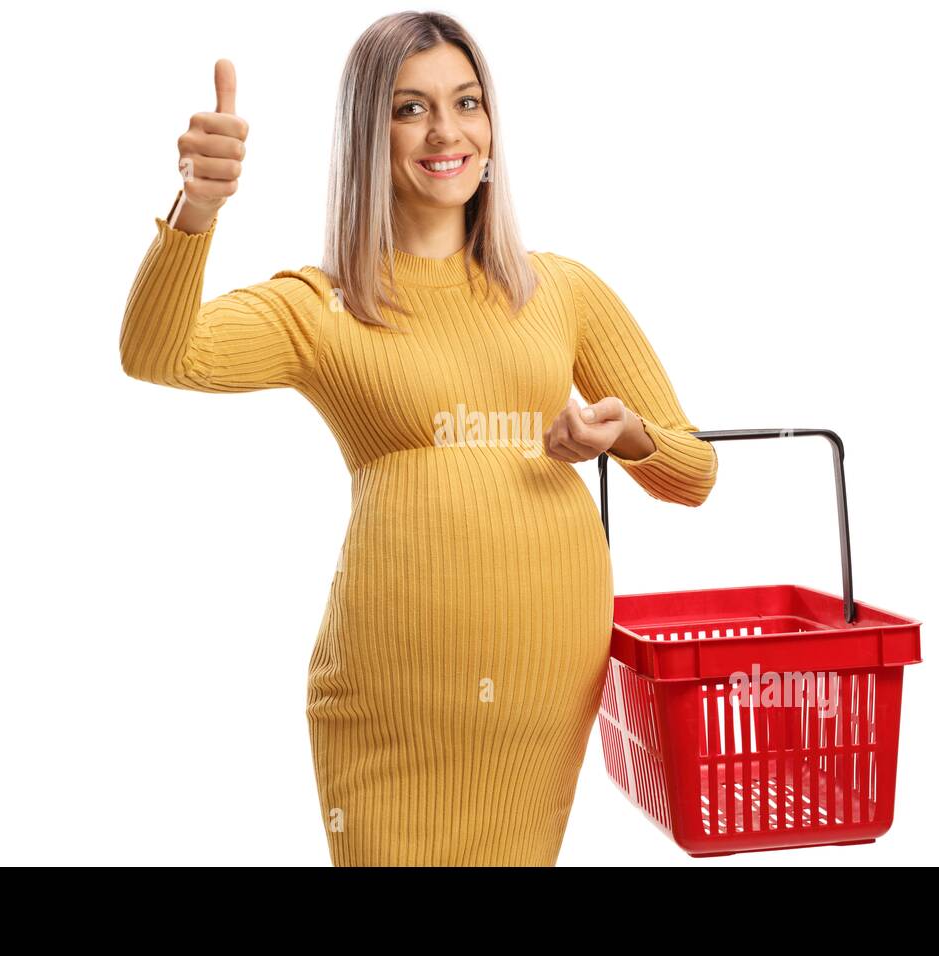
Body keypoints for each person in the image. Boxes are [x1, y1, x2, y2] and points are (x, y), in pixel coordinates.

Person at [119, 11, 718, 866]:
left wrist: (628, 436)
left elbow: (695, 473)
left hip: (543, 693)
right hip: (389, 699)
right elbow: (156, 354)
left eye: (467, 103)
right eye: (410, 109)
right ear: (369, 132)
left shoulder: (563, 291)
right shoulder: (320, 304)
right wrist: (196, 210)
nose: (447, 132)